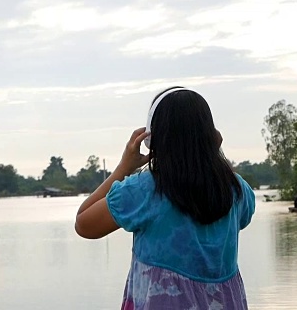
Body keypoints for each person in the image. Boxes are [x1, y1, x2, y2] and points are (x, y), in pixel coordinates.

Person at [75, 86, 256, 309]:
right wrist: (212, 155)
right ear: (212, 136)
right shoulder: (237, 190)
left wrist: (124, 168)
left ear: (152, 140)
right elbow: (243, 218)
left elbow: (84, 224)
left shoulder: (144, 190)